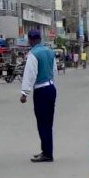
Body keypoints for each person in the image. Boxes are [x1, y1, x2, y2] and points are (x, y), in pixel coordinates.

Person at [21, 30, 58, 163]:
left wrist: (24, 93)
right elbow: (54, 71)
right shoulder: (49, 52)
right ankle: (46, 150)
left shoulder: (33, 54)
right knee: (48, 122)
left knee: (42, 123)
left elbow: (30, 73)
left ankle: (47, 154)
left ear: (31, 40)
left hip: (41, 90)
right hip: (51, 88)